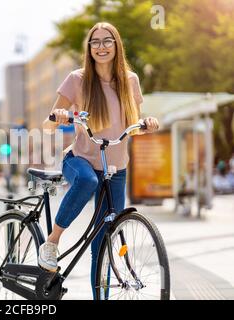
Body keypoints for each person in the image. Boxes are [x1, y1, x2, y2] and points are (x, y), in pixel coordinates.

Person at [39, 22, 159, 299]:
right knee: (86, 180)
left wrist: (147, 123)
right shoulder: (77, 79)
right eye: (95, 42)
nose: (101, 47)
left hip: (116, 168)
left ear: (117, 45)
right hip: (80, 159)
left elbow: (134, 124)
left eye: (107, 41)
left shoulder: (130, 80)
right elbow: (47, 124)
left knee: (103, 241)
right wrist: (59, 116)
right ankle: (52, 242)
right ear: (89, 48)